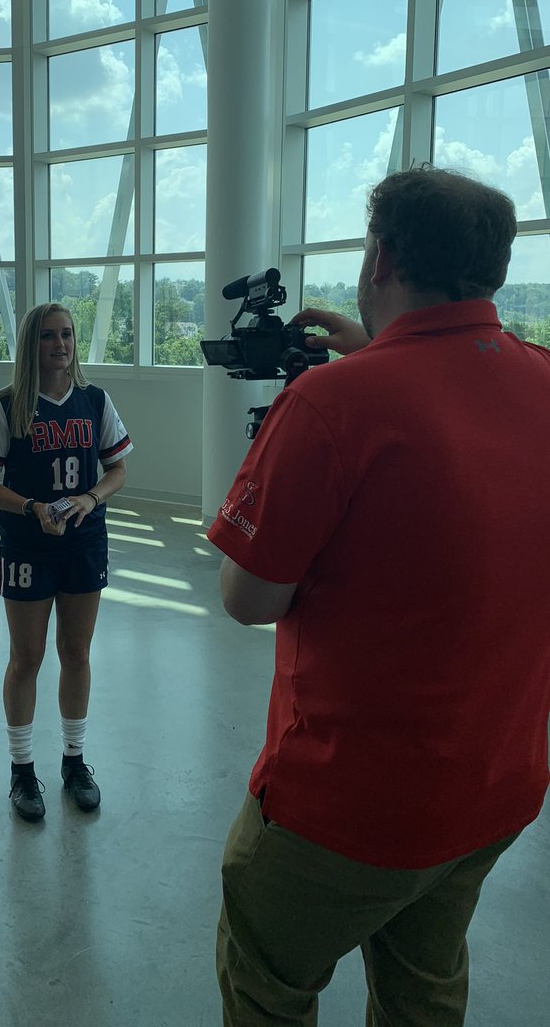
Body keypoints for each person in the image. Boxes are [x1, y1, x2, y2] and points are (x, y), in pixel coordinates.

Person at [207, 166, 550, 1026]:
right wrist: (378, 351)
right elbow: (459, 411)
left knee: (268, 986)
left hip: (344, 810)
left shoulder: (329, 405)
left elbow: (249, 598)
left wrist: (320, 405)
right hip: (494, 790)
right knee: (424, 991)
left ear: (381, 258)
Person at [0, 301, 132, 823]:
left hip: (84, 542)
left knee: (77, 653)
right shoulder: (7, 405)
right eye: (47, 336)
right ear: (30, 344)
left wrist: (91, 498)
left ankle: (75, 761)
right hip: (28, 545)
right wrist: (32, 508)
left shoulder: (95, 400)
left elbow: (118, 470)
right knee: (27, 657)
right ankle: (21, 771)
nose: (59, 344)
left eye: (66, 335)